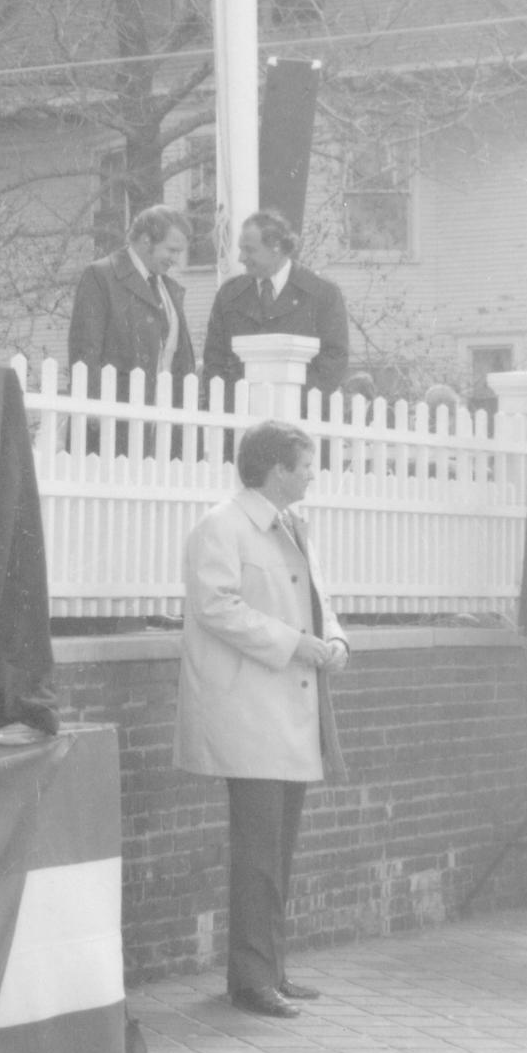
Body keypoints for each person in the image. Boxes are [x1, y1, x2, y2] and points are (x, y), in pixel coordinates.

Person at [175, 417, 347, 1018]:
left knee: (279, 848)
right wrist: (297, 643)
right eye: (304, 463)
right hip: (247, 710)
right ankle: (251, 979)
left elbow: (318, 597)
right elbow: (216, 606)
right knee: (257, 851)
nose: (311, 474)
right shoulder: (222, 527)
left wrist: (335, 640)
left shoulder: (292, 526)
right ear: (276, 468)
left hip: (285, 709)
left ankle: (270, 967)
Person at [66, 205, 194, 456]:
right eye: (172, 250)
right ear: (146, 240)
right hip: (115, 423)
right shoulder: (101, 275)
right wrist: (91, 406)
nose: (176, 260)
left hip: (162, 424)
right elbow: (85, 348)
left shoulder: (169, 288)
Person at [200, 211, 350, 399]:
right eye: (241, 249)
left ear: (276, 247)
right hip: (241, 415)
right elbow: (214, 360)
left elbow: (334, 360)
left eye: (250, 250)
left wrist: (290, 401)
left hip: (301, 417)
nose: (241, 258)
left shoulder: (322, 294)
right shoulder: (229, 295)